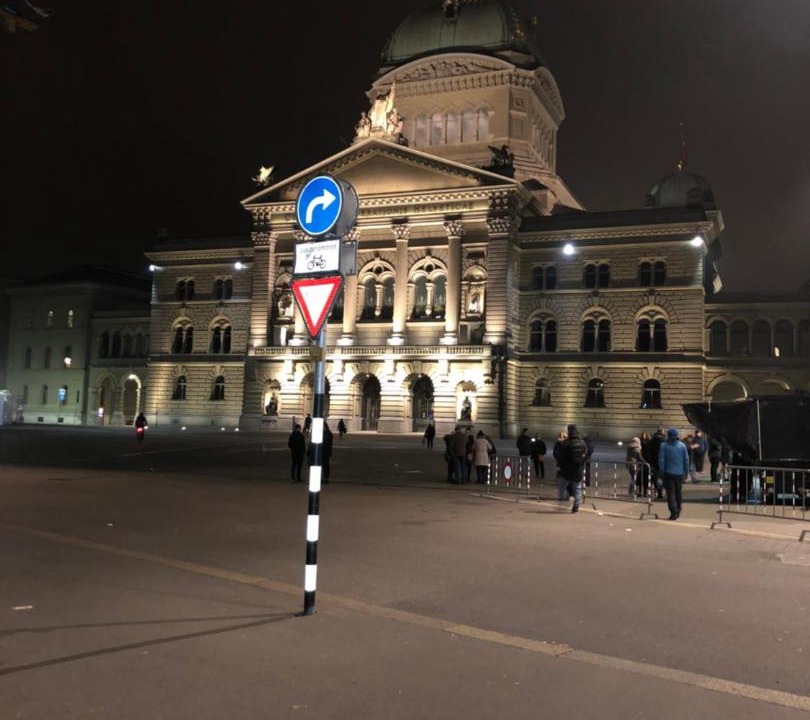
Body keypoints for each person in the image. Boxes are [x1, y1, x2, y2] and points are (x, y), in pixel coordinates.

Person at [658, 427, 690, 520]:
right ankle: (678, 510)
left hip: (668, 472)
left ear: (668, 435)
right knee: (678, 492)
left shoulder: (664, 445)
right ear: (677, 435)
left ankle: (673, 511)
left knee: (670, 493)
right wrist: (686, 472)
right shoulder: (682, 446)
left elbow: (661, 460)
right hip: (680, 473)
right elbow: (686, 460)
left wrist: (661, 471)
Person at [556, 424, 589, 513]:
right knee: (577, 489)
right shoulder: (582, 443)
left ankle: (565, 499)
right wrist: (581, 462)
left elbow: (560, 456)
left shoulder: (566, 443)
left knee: (562, 487)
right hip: (578, 470)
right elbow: (586, 454)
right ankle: (576, 507)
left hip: (566, 470)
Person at [651, 426, 666, 499]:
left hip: (654, 461)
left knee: (656, 477)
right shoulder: (663, 440)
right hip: (662, 461)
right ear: (662, 431)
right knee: (662, 477)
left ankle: (659, 492)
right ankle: (662, 491)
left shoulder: (653, 439)